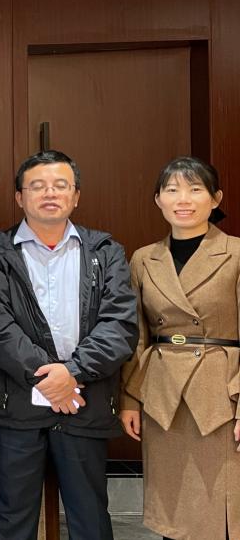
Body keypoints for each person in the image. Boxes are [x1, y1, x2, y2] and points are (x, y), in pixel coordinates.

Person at [0, 150, 137, 540]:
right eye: (38, 186)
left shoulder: (105, 252)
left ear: (76, 196)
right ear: (20, 196)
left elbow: (119, 326)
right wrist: (51, 380)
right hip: (19, 402)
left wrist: (73, 374)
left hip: (85, 398)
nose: (50, 193)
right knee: (14, 514)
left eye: (60, 185)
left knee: (90, 516)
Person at [119, 156, 239, 539]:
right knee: (174, 513)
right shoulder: (143, 258)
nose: (182, 199)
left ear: (216, 198)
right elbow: (137, 336)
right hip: (163, 395)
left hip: (221, 395)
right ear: (158, 199)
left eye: (195, 189)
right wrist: (129, 399)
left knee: (221, 509)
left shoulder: (236, 253)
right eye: (172, 190)